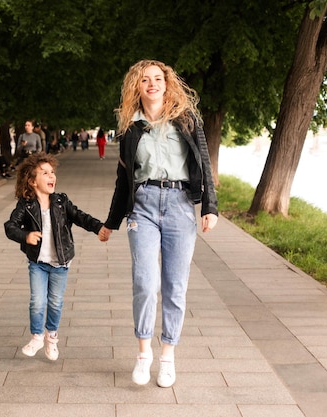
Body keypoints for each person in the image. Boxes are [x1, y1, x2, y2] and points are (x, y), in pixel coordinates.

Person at [99, 59, 218, 388]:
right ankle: (143, 354)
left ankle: (167, 357)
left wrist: (210, 206)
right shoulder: (130, 128)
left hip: (180, 205)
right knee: (145, 282)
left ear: (167, 84)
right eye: (145, 80)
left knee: (175, 287)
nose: (152, 84)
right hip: (144, 207)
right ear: (137, 87)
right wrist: (111, 222)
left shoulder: (186, 119)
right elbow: (124, 180)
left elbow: (204, 164)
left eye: (157, 78)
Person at [4, 153, 108, 361]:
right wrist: (26, 236)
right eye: (45, 173)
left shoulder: (61, 201)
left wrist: (99, 228)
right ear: (32, 181)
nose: (51, 176)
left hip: (60, 263)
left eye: (52, 172)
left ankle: (51, 338)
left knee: (55, 302)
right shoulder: (26, 205)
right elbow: (10, 227)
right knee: (37, 301)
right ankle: (36, 337)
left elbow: (80, 217)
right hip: (38, 264)